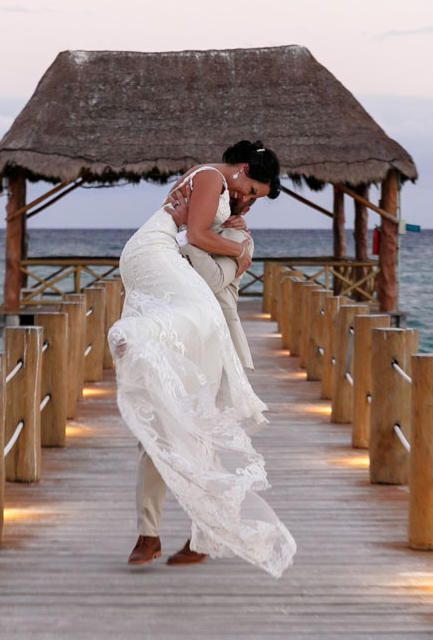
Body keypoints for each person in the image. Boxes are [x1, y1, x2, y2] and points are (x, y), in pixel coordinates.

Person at [108, 140, 296, 578]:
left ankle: (202, 537)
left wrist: (225, 243)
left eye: (255, 200)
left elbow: (208, 273)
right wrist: (241, 252)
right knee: (156, 421)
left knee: (199, 430)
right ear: (243, 169)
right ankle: (148, 533)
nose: (247, 202)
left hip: (205, 336)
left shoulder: (232, 221)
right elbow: (195, 237)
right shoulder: (212, 181)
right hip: (182, 318)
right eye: (251, 189)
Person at [131, 199, 255, 566]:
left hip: (213, 351)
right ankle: (147, 533)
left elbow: (214, 281)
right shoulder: (175, 241)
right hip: (173, 346)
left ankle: (203, 537)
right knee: (152, 437)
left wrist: (192, 243)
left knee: (202, 444)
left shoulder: (238, 238)